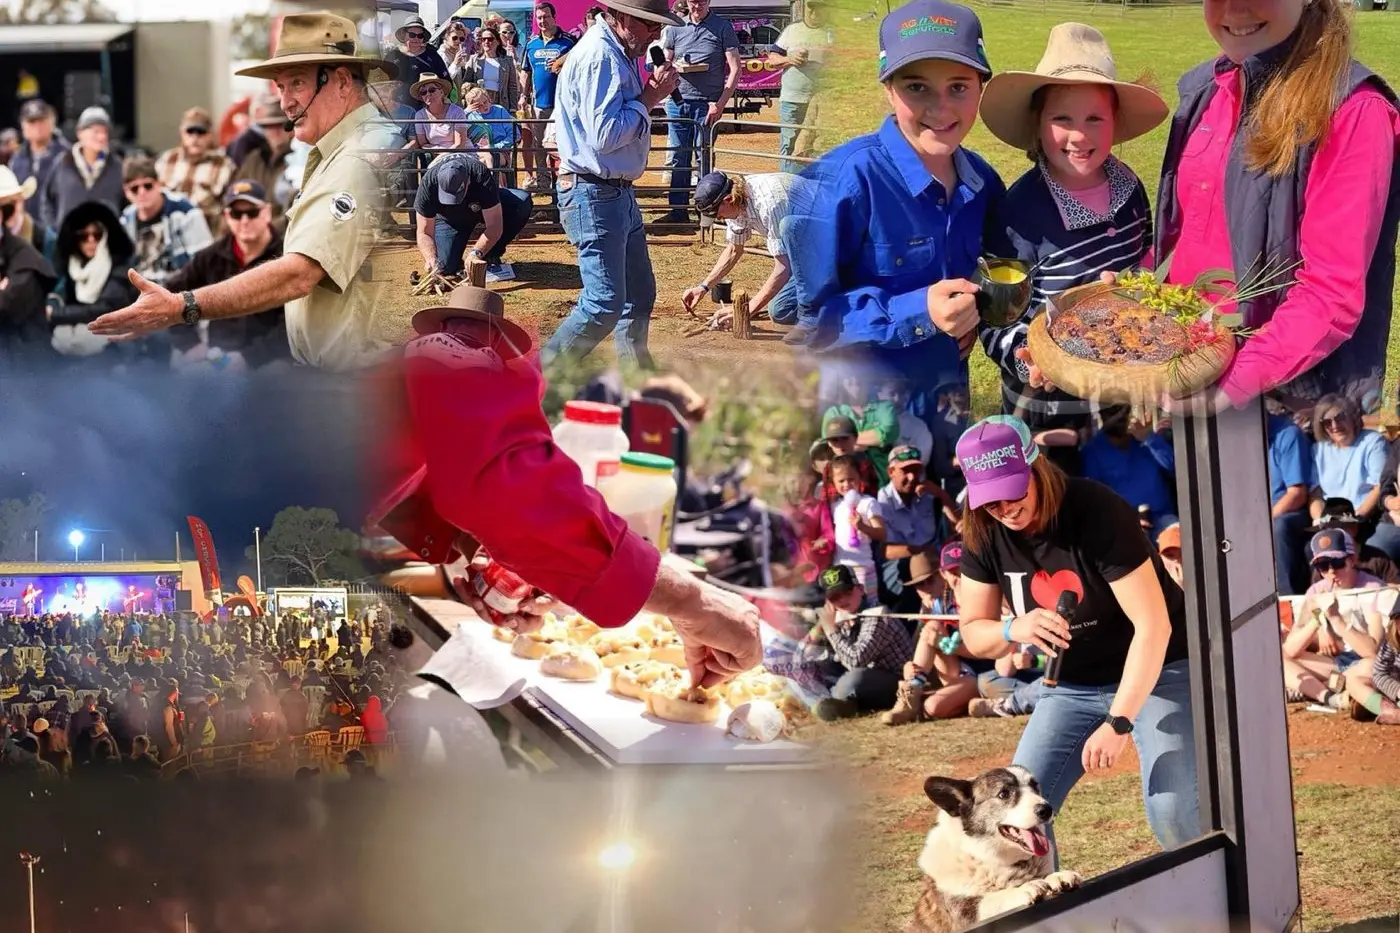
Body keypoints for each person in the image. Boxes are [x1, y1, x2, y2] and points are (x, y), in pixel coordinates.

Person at [368, 283, 763, 690]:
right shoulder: (457, 356)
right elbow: (502, 475)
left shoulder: (405, 365)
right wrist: (691, 601)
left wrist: (474, 546)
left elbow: (414, 452)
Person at [1025, 0, 1400, 416]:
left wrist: (1229, 384)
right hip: (1186, 364)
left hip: (1289, 399)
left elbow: (1330, 293)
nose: (1235, 7)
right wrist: (1136, 293)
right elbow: (1182, 238)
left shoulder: (1351, 110)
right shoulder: (1207, 90)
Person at [88, 12, 403, 372]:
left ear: (343, 81)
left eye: (297, 83)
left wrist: (182, 307)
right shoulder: (347, 149)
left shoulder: (357, 158)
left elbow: (299, 273)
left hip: (355, 383)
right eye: (280, 87)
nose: (285, 102)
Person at [953, 415, 1197, 858]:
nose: (1005, 509)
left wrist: (1119, 722)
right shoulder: (983, 532)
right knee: (1015, 817)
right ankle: (1046, 912)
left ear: (1036, 467)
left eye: (1012, 492)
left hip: (1159, 672)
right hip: (1069, 686)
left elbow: (1154, 627)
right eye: (990, 502)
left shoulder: (1096, 511)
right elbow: (974, 633)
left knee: (1174, 810)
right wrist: (1015, 628)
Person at [784, 0, 1000, 420]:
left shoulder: (983, 184)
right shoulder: (841, 181)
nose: (940, 109)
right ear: (888, 88)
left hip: (947, 411)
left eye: (958, 87)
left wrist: (976, 315)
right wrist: (920, 310)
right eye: (917, 87)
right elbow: (808, 322)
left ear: (981, 88)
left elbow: (991, 271)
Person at [973, 24, 1165, 441]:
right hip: (1049, 407)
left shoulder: (1130, 188)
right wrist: (1031, 360)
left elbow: (1145, 264)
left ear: (1116, 122)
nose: (1079, 135)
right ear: (1037, 124)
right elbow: (993, 323)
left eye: (1095, 118)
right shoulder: (1018, 215)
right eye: (1062, 119)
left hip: (1119, 394)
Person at [539, 0, 682, 370]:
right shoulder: (600, 57)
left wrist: (647, 96)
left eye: (658, 25)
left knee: (638, 293)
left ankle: (635, 378)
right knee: (604, 303)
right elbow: (605, 135)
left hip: (611, 189)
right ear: (620, 16)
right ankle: (536, 379)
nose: (656, 33)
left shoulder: (614, 52)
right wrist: (650, 98)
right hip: (595, 189)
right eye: (649, 24)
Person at [165, 180, 292, 373]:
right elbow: (171, 295)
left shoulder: (288, 256)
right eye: (236, 214)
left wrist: (249, 358)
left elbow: (293, 326)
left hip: (270, 359)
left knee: (274, 380)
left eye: (252, 212)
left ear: (267, 212)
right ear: (226, 216)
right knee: (186, 377)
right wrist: (189, 344)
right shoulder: (211, 256)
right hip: (218, 355)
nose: (244, 221)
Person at [683, 169, 811, 326]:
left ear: (728, 199)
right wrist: (703, 287)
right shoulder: (736, 203)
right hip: (809, 246)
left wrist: (747, 310)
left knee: (781, 310)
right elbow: (734, 250)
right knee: (781, 309)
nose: (719, 219)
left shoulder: (770, 204)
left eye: (718, 215)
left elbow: (784, 267)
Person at [882, 548, 990, 725]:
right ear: (944, 574)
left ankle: (948, 700)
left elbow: (989, 650)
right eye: (919, 585)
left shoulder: (984, 598)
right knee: (931, 627)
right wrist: (911, 669)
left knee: (933, 708)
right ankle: (911, 693)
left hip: (980, 673)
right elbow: (924, 647)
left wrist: (947, 645)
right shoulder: (939, 605)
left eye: (929, 581)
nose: (925, 589)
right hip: (954, 671)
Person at [656, 0, 740, 222]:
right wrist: (666, 66)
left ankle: (707, 212)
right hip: (677, 101)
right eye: (693, 1)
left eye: (701, 1)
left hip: (708, 104)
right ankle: (678, 211)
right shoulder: (675, 27)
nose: (697, 6)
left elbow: (735, 69)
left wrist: (720, 104)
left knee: (703, 157)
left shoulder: (722, 27)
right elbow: (666, 60)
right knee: (678, 157)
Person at [1283, 528, 1384, 709]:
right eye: (1323, 566)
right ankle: (1332, 697)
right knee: (1280, 662)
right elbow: (1290, 650)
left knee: (1372, 667)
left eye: (1337, 563)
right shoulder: (1316, 591)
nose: (1331, 572)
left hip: (1366, 663)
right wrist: (1317, 620)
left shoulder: (1373, 588)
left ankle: (1331, 687)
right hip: (1337, 664)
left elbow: (1372, 652)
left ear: (1351, 560)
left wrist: (1336, 619)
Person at [805, 564, 913, 720]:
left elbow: (856, 660)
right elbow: (806, 652)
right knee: (815, 666)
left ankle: (837, 699)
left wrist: (830, 630)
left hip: (896, 680)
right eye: (834, 597)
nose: (842, 600)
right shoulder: (840, 615)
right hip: (863, 677)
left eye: (847, 592)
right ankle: (844, 702)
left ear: (861, 589)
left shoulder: (877, 615)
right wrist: (819, 629)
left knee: (854, 678)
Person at [413, 152, 532, 284]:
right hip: (450, 218)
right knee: (444, 267)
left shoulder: (480, 175)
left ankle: (491, 254)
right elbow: (424, 231)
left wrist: (477, 252)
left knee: (520, 201)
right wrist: (430, 258)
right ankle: (454, 260)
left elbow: (495, 225)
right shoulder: (428, 183)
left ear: (468, 180)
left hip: (482, 209)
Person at [119, 156, 213, 291]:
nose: (142, 192)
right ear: (126, 192)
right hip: (139, 292)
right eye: (134, 188)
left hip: (180, 290)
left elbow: (205, 262)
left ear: (158, 184)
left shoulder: (185, 212)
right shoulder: (126, 219)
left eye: (147, 185)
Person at [766, 0, 831, 174]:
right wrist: (789, 59)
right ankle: (788, 188)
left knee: (820, 144)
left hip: (822, 102)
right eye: (812, 7)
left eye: (820, 7)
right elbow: (772, 59)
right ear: (804, 8)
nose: (815, 12)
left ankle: (811, 188)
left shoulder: (833, 32)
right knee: (789, 144)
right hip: (793, 100)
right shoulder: (791, 31)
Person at [39, 106, 125, 231]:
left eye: (104, 132)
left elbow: (126, 203)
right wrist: (55, 230)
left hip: (106, 241)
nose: (101, 137)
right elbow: (47, 201)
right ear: (80, 133)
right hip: (68, 242)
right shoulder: (62, 163)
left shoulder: (117, 166)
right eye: (95, 131)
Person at [154, 107, 237, 235]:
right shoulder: (167, 161)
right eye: (190, 131)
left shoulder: (224, 165)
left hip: (207, 233)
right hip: (168, 232)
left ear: (210, 135)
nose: (195, 137)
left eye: (201, 132)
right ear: (182, 133)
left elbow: (230, 206)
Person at [521, 2, 575, 191]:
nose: (543, 21)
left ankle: (564, 182)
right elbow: (525, 72)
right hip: (539, 105)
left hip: (563, 106)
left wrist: (563, 64)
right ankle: (544, 184)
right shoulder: (531, 44)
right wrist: (523, 95)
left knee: (561, 145)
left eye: (546, 17)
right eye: (539, 18)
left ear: (554, 17)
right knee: (539, 147)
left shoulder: (569, 41)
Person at [9, 99, 65, 220]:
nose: (37, 126)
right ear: (23, 126)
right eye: (32, 121)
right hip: (26, 231)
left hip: (58, 230)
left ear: (52, 122)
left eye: (41, 120)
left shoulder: (66, 156)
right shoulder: (16, 160)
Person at [386, 16, 450, 110]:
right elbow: (382, 82)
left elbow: (445, 81)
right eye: (412, 35)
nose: (416, 38)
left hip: (427, 110)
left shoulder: (432, 55)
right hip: (396, 109)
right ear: (404, 35)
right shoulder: (392, 55)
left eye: (420, 36)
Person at [410, 72, 476, 158]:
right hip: (438, 156)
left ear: (441, 92)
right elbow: (423, 144)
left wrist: (443, 156)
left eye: (432, 90)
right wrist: (438, 151)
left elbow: (460, 145)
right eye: (423, 92)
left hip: (462, 155)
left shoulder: (457, 111)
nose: (428, 94)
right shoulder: (419, 115)